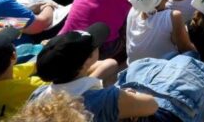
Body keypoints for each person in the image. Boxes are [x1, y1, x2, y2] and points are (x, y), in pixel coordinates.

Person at [30, 23, 159, 121]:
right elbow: (152, 105)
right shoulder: (105, 99)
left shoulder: (38, 94)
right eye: (94, 46)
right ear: (86, 62)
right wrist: (124, 95)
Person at [125, 0, 195, 64]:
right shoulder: (173, 16)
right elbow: (185, 48)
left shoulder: (133, 10)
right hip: (161, 69)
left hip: (134, 67)